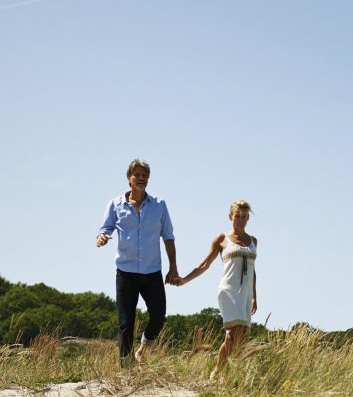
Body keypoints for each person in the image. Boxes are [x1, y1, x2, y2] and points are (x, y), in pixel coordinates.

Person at [96, 159, 179, 365]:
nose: (141, 179)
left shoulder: (159, 205)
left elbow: (168, 237)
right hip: (126, 272)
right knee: (126, 322)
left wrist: (173, 267)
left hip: (152, 273)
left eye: (145, 176)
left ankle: (145, 344)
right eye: (137, 175)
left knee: (158, 317)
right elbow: (105, 228)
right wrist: (102, 237)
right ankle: (126, 366)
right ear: (129, 179)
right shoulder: (115, 204)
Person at [176, 200, 257, 380]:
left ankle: (221, 372)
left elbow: (253, 271)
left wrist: (254, 297)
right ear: (230, 217)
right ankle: (223, 373)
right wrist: (184, 280)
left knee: (237, 338)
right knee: (233, 332)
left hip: (245, 294)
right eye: (237, 216)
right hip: (228, 290)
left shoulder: (254, 241)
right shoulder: (222, 239)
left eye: (244, 217)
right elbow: (205, 264)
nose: (241, 220)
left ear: (248, 218)